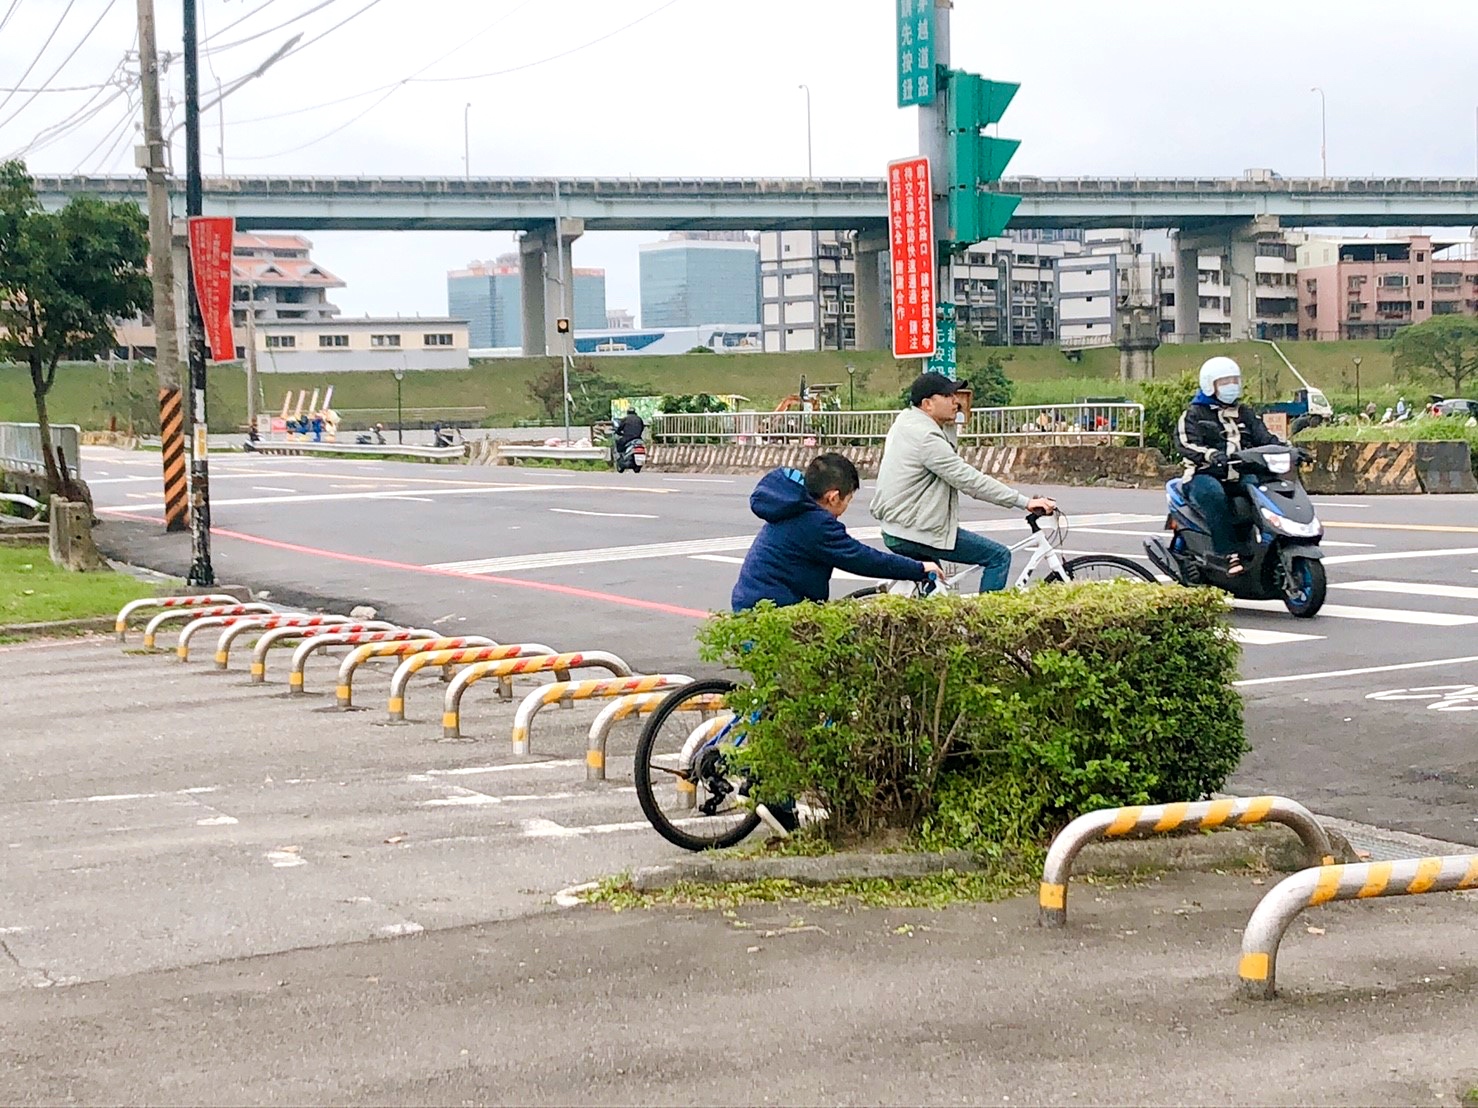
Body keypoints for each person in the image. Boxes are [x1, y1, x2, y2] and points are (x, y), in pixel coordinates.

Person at [731, 453, 942, 836]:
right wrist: (917, 568)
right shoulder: (816, 524)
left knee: (782, 694)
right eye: (847, 500)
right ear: (832, 496)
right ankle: (772, 791)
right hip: (777, 617)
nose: (845, 509)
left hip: (758, 608)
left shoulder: (791, 508)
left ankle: (759, 771)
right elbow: (858, 557)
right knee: (806, 696)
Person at [870, 372, 1056, 593]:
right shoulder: (926, 438)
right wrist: (1023, 502)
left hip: (900, 527)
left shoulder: (907, 421)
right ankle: (984, 623)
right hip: (914, 530)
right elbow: (969, 480)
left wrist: (950, 423)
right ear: (928, 404)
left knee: (937, 596)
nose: (956, 401)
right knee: (998, 556)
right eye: (948, 396)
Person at [1173, 355, 1284, 577]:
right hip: (1203, 474)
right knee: (1213, 494)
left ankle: (1270, 546)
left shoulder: (1246, 413)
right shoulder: (1193, 414)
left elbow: (1266, 439)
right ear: (1209, 385)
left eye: (1234, 380)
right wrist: (1211, 455)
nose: (1231, 386)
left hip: (1240, 474)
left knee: (1263, 491)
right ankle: (1228, 553)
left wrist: (1289, 449)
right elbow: (1185, 443)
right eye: (1224, 382)